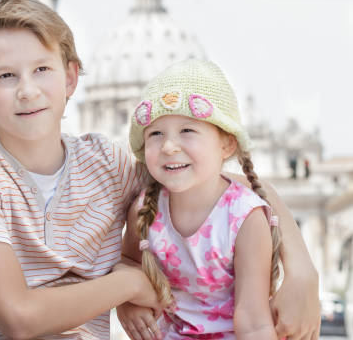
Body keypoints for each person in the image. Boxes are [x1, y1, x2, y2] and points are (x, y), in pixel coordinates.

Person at [0, 0, 319, 339]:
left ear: (70, 77)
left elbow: (220, 187)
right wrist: (128, 286)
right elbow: (18, 321)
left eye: (42, 70)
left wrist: (302, 272)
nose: (27, 90)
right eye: (5, 76)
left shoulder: (105, 163)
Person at [116, 59, 318, 339]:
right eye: (156, 134)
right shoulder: (143, 209)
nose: (169, 146)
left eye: (187, 130)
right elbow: (128, 260)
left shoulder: (245, 217)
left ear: (227, 143)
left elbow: (254, 321)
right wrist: (128, 300)